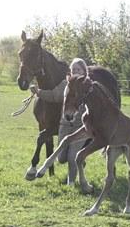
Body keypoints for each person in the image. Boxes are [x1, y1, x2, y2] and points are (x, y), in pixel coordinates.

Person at [30, 58, 89, 186]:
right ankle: (80, 163)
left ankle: (71, 183)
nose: (76, 72)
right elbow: (53, 95)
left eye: (78, 69)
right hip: (64, 126)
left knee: (72, 157)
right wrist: (38, 92)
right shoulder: (65, 84)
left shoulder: (88, 86)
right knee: (61, 158)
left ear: (84, 71)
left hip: (80, 127)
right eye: (73, 70)